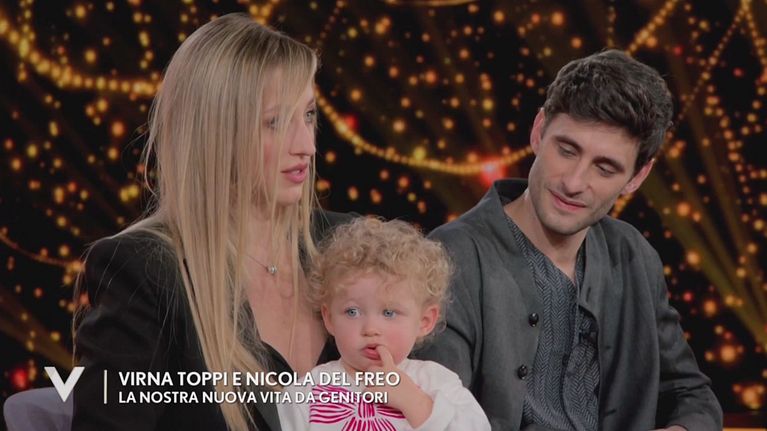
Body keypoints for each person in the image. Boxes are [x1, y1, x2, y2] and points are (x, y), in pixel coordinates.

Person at [414, 50, 723, 431]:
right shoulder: (450, 257)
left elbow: (691, 395)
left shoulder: (633, 255)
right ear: (539, 130)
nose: (574, 183)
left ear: (637, 177)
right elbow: (434, 413)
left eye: (604, 168)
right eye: (566, 150)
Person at [72, 13, 352, 431]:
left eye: (308, 115)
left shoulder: (347, 244)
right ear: (216, 132)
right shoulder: (144, 272)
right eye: (275, 122)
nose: (306, 146)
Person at [277, 217, 491, 430]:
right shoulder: (305, 394)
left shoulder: (436, 383)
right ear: (329, 318)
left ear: (424, 321)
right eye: (352, 312)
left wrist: (415, 403)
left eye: (389, 313)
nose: (370, 329)